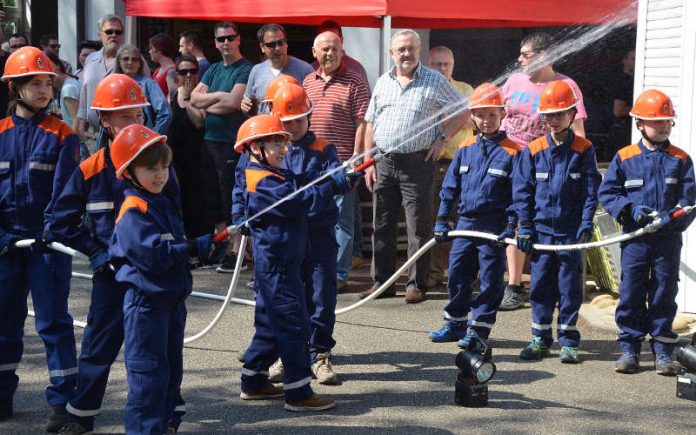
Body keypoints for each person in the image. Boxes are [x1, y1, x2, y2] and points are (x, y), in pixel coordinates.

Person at [235, 114, 357, 412]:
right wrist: (332, 186)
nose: (281, 148)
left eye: (282, 142)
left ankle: (253, 382)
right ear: (254, 148)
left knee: (268, 326)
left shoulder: (271, 173)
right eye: (273, 142)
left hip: (278, 265)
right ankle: (298, 392)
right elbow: (300, 201)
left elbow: (303, 185)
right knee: (294, 327)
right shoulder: (262, 181)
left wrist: (334, 177)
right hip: (279, 268)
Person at [109, 124, 214, 433]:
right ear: (128, 171)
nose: (160, 175)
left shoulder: (162, 201)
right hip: (146, 307)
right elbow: (154, 256)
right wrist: (191, 248)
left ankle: (165, 425)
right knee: (148, 380)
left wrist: (202, 253)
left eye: (164, 167)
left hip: (170, 302)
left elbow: (176, 252)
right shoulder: (133, 209)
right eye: (150, 168)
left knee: (169, 374)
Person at [0, 46, 79, 432]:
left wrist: (51, 233)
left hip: (46, 245)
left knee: (53, 324)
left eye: (48, 82)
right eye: (35, 83)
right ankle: (1, 395)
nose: (45, 90)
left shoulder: (63, 135)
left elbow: (65, 194)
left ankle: (64, 401)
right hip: (6, 246)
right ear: (15, 88)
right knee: (3, 323)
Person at [359, 29, 467, 304]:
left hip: (418, 163)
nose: (406, 54)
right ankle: (382, 283)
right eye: (401, 49)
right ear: (392, 53)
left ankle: (416, 284)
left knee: (418, 227)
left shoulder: (433, 79)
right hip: (383, 161)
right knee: (381, 225)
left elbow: (463, 109)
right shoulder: (384, 81)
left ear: (419, 51)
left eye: (411, 48)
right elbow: (371, 122)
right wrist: (369, 161)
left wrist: (442, 140)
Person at [598, 89, 696, 375]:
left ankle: (663, 350)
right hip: (635, 241)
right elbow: (608, 193)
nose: (663, 126)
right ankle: (629, 348)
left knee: (665, 290)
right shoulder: (625, 157)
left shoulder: (680, 159)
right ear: (640, 124)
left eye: (667, 121)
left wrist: (674, 218)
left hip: (667, 240)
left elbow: (689, 201)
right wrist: (630, 209)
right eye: (656, 122)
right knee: (631, 291)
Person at [513, 80, 601, 364]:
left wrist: (587, 222)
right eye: (549, 114)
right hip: (541, 233)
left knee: (569, 287)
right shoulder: (534, 149)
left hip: (571, 233)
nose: (554, 119)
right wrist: (524, 225)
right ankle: (540, 338)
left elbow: (591, 190)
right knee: (540, 286)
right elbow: (522, 190)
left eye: (560, 114)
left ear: (572, 114)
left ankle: (568, 341)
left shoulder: (584, 149)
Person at [499, 32, 588, 311]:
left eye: (525, 54)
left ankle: (554, 285)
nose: (519, 59)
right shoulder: (513, 81)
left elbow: (578, 129)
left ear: (544, 55)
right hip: (511, 160)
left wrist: (581, 162)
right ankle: (514, 286)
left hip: (546, 162)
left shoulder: (566, 85)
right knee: (514, 219)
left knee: (548, 220)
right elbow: (500, 117)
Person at [428, 83, 521, 347]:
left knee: (490, 280)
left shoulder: (513, 151)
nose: (487, 120)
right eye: (481, 114)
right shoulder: (466, 148)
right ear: (472, 116)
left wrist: (511, 225)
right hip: (465, 224)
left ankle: (479, 331)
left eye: (492, 114)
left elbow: (519, 193)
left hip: (493, 227)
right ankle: (455, 323)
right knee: (457, 273)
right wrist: (443, 218)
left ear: (502, 114)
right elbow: (450, 186)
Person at [269, 83, 342, 384]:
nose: (294, 126)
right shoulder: (273, 149)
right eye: (287, 121)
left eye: (299, 119)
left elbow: (337, 174)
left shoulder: (324, 148)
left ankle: (320, 354)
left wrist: (343, 179)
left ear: (309, 117)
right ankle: (286, 355)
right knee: (289, 298)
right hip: (287, 237)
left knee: (322, 296)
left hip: (320, 234)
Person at [303, 31, 371, 293]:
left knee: (341, 221)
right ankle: (317, 268)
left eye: (334, 49)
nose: (329, 54)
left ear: (342, 51)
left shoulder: (355, 81)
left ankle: (339, 274)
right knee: (313, 217)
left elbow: (363, 122)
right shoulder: (308, 81)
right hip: (311, 164)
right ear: (314, 52)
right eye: (324, 49)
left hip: (342, 162)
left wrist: (356, 158)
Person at [190, 21, 252, 272]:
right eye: (220, 39)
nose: (225, 43)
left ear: (238, 39)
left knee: (230, 196)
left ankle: (237, 251)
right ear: (214, 43)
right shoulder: (213, 69)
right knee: (212, 197)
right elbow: (194, 98)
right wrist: (219, 99)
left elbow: (235, 102)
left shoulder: (245, 69)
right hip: (209, 141)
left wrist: (207, 101)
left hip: (231, 143)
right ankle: (222, 245)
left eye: (230, 38)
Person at [426, 45, 475, 289]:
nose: (442, 69)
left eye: (446, 64)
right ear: (428, 64)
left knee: (465, 219)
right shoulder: (423, 89)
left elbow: (477, 119)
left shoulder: (465, 90)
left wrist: (457, 118)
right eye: (437, 64)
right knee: (434, 219)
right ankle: (433, 273)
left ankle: (464, 271)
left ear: (453, 66)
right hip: (433, 164)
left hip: (462, 164)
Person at [168, 54, 220, 238]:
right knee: (182, 202)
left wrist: (190, 98)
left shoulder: (200, 95)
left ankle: (202, 242)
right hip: (177, 159)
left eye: (193, 70)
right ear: (177, 75)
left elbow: (199, 122)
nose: (189, 75)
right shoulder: (173, 95)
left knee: (199, 202)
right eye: (184, 71)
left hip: (197, 158)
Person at [240, 23, 314, 116]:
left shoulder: (305, 70)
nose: (278, 48)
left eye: (281, 42)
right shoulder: (256, 71)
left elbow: (313, 107)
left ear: (286, 43)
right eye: (271, 45)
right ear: (262, 47)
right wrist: (245, 107)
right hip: (266, 128)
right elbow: (250, 104)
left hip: (294, 130)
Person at [113, 44, 172, 134]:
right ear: (119, 62)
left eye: (134, 59)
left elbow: (165, 114)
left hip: (142, 141)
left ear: (139, 64)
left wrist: (152, 137)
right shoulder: (112, 84)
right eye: (125, 59)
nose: (130, 62)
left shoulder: (149, 85)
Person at [605, 48, 635, 160]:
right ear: (624, 61)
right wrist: (640, 110)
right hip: (620, 132)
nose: (635, 61)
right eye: (632, 58)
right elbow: (618, 111)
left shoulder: (631, 80)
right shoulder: (623, 81)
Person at [149, 33, 177, 97]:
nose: (149, 51)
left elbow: (173, 97)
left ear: (159, 50)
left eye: (151, 48)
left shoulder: (172, 71)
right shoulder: (158, 70)